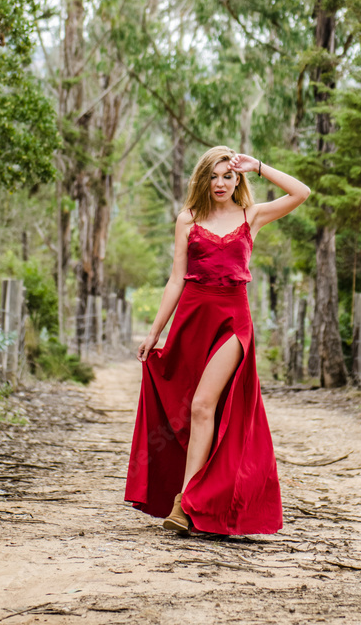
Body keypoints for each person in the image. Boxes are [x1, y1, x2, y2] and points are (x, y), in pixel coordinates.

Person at [123, 145, 310, 536]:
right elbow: (176, 278)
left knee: (204, 404)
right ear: (203, 179)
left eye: (228, 176)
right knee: (189, 409)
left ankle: (184, 503)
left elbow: (301, 192)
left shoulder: (251, 216)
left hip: (233, 322)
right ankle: (196, 497)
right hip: (193, 318)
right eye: (214, 176)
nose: (221, 183)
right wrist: (155, 330)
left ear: (238, 179)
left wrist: (258, 166)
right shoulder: (187, 220)